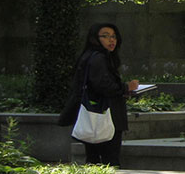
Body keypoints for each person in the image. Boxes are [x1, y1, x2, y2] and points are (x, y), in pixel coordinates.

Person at [58, 22, 139, 166]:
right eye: (105, 36)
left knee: (94, 159)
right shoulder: (98, 58)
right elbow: (103, 85)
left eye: (114, 36)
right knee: (109, 160)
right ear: (95, 38)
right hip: (104, 115)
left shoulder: (92, 56)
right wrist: (126, 87)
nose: (111, 40)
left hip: (96, 114)